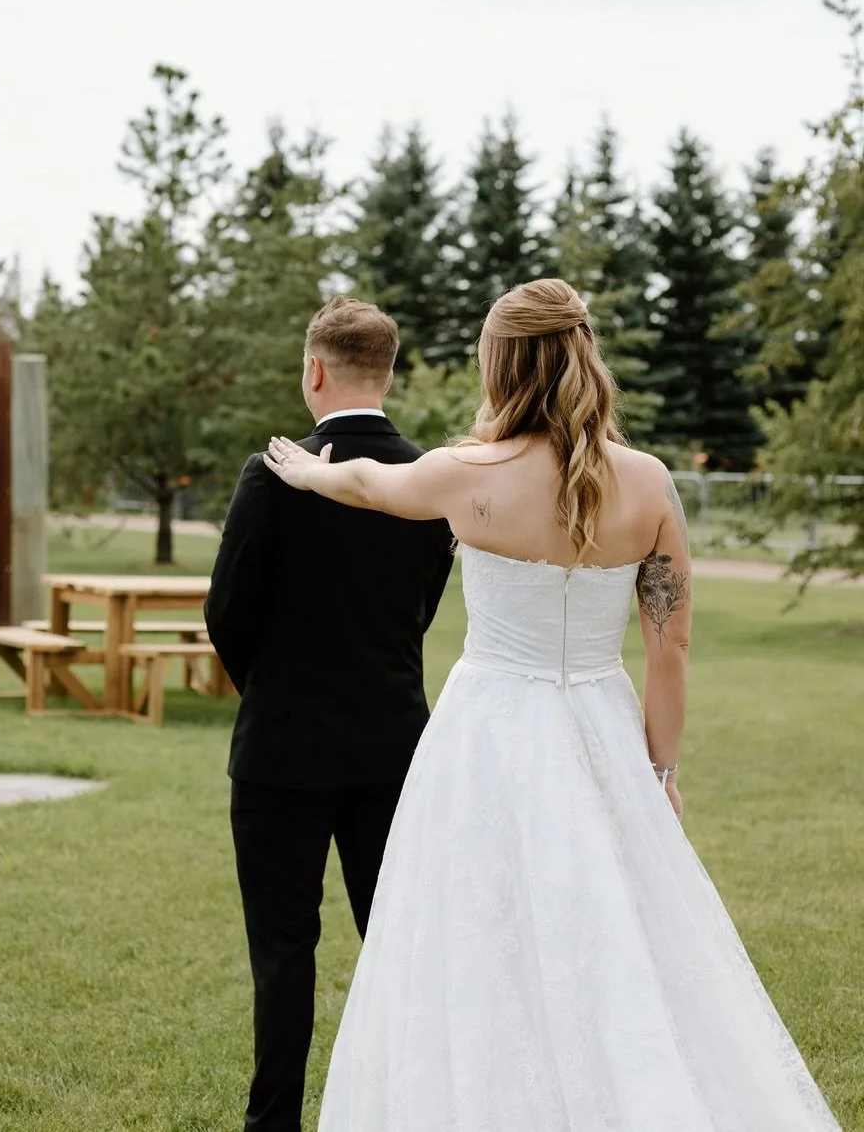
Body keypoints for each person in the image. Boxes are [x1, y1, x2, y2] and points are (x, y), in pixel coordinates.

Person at [264, 278, 841, 1131]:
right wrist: (662, 769)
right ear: (585, 357)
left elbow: (369, 484)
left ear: (500, 364)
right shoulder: (648, 485)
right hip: (602, 733)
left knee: (475, 939)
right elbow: (668, 645)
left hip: (485, 737)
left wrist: (312, 472)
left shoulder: (466, 472)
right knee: (619, 939)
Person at [205, 297, 455, 1132]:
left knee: (283, 954)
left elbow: (227, 609)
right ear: (387, 371)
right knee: (396, 949)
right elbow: (419, 610)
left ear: (315, 369)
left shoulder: (272, 472)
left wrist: (271, 686)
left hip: (280, 751)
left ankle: (271, 1121)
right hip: (391, 750)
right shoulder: (430, 482)